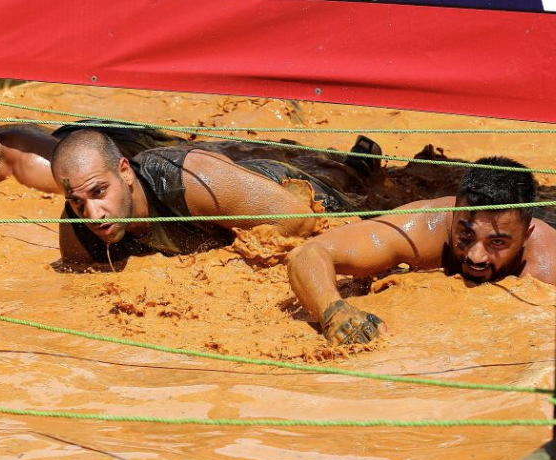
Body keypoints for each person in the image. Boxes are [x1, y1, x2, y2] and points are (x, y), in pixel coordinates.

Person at [286, 156, 556, 345]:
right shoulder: (423, 226)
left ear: (526, 236)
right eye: (466, 234)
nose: (476, 256)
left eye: (497, 243)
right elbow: (307, 253)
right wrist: (333, 312)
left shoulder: (547, 266)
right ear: (454, 214)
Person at [51, 127, 369, 267]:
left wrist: (216, 268)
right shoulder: (78, 227)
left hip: (286, 193)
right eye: (78, 202)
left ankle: (362, 167)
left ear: (124, 171)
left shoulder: (189, 179)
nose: (93, 214)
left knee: (369, 210)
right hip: (236, 200)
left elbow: (298, 219)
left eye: (99, 192)